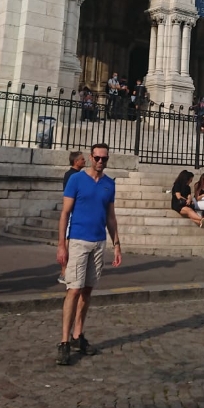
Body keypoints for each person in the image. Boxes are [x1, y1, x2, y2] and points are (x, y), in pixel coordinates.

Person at [56, 143, 122, 366]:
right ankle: (64, 341)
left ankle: (78, 335)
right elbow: (65, 213)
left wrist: (117, 244)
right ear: (90, 157)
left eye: (104, 158)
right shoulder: (76, 179)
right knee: (73, 290)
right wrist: (61, 245)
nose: (100, 162)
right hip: (78, 240)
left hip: (98, 242)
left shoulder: (109, 184)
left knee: (87, 290)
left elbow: (111, 217)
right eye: (97, 158)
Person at [58, 151, 86, 285]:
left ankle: (68, 271)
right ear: (76, 161)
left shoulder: (70, 174)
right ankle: (63, 272)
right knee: (68, 243)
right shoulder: (74, 176)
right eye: (82, 159)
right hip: (73, 212)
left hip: (75, 211)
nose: (84, 161)